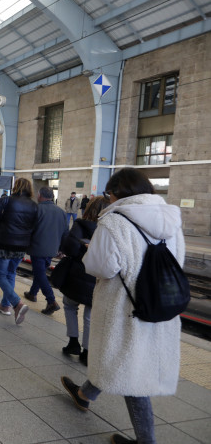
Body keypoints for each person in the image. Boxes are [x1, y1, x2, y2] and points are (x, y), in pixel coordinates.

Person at [61, 168, 184, 444]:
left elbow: (100, 267)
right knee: (119, 359)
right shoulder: (171, 219)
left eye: (110, 193)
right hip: (160, 305)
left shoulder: (114, 220)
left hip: (124, 307)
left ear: (118, 193)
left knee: (131, 370)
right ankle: (83, 395)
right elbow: (179, 260)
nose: (109, 198)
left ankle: (146, 441)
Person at [59, 195, 108, 366]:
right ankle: (87, 352)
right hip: (99, 277)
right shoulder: (110, 228)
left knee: (69, 304)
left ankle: (73, 342)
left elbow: (69, 248)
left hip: (78, 274)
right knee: (89, 313)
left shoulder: (81, 224)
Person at [0, 178, 37, 324]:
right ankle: (5, 306)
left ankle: (16, 303)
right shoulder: (34, 205)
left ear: (16, 187)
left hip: (5, 243)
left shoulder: (6, 200)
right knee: (11, 273)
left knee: (0, 275)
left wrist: (1, 216)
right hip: (22, 246)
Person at [23, 186, 68, 314]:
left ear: (40, 196)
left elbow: (29, 229)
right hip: (53, 249)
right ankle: (32, 293)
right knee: (41, 271)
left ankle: (51, 301)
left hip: (38, 247)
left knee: (39, 273)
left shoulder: (36, 209)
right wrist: (62, 249)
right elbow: (65, 233)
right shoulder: (61, 212)